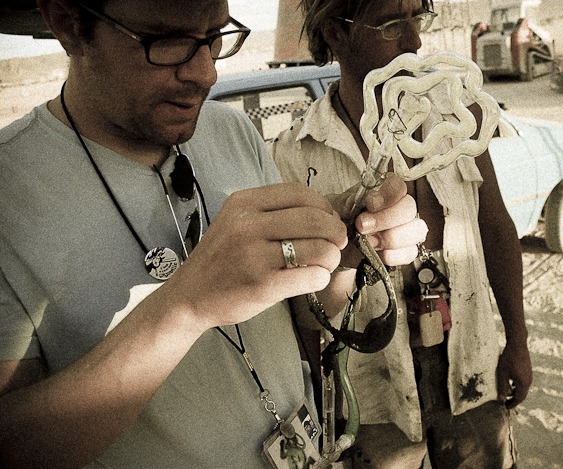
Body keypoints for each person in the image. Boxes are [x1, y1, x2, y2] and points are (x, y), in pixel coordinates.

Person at [0, 0, 426, 467]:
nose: (206, 74)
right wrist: (185, 307)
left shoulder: (232, 131)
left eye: (213, 37)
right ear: (68, 23)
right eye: (169, 41)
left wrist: (341, 251)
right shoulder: (11, 189)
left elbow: (302, 321)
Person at [270, 0, 533, 467]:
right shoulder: (294, 153)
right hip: (370, 394)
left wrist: (517, 341)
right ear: (334, 32)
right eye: (392, 24)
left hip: (470, 360)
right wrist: (319, 396)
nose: (413, 41)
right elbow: (297, 297)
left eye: (418, 18)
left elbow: (495, 228)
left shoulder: (457, 121)